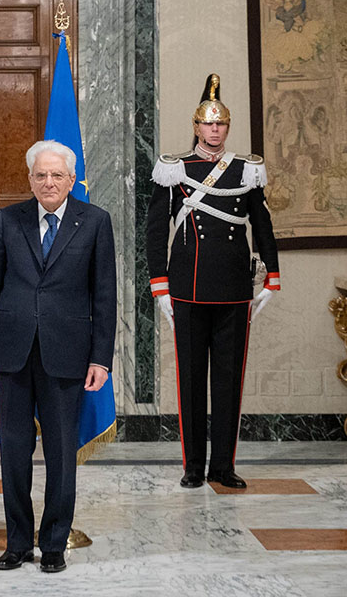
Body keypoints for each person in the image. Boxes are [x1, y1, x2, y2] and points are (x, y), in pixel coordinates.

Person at [0, 140, 116, 574]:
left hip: (68, 353)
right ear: (30, 179)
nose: (48, 182)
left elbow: (104, 295)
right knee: (14, 453)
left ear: (71, 180)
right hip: (12, 353)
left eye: (56, 175)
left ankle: (53, 543)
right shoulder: (8, 219)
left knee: (61, 453)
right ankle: (18, 542)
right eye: (40, 175)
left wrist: (101, 359)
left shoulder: (95, 221)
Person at [146, 74, 280, 490]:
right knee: (190, 381)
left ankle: (222, 465)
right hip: (187, 288)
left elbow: (262, 225)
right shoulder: (175, 169)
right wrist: (160, 285)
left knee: (228, 381)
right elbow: (155, 231)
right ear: (196, 126)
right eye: (208, 123)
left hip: (234, 289)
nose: (215, 130)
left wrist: (272, 278)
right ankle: (193, 466)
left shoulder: (247, 169)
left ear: (227, 127)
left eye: (221, 123)